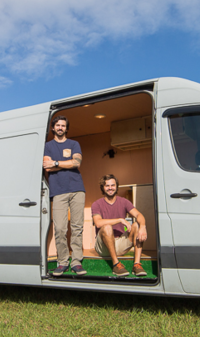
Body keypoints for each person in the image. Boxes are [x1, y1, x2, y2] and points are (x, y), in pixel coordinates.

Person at [43, 115, 86, 276]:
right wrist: (65, 163)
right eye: (57, 125)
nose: (60, 128)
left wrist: (56, 163)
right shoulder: (47, 146)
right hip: (58, 191)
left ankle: (76, 262)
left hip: (77, 189)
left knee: (77, 227)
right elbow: (47, 167)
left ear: (66, 128)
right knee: (60, 228)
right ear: (53, 128)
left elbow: (77, 163)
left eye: (63, 125)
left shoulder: (74, 144)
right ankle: (62, 262)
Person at [91, 174, 148, 277]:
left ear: (116, 186)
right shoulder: (96, 204)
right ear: (103, 188)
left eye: (113, 185)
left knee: (137, 225)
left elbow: (139, 215)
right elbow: (98, 222)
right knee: (107, 227)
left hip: (120, 243)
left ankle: (137, 265)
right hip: (103, 246)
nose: (110, 188)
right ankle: (116, 264)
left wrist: (143, 226)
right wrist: (119, 220)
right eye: (107, 186)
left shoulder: (124, 202)